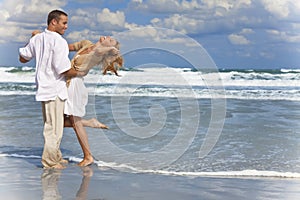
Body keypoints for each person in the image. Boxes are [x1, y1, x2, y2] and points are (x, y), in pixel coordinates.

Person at [19, 10, 87, 169]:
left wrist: (32, 41)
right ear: (53, 22)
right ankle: (49, 162)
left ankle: (55, 156)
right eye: (64, 23)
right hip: (54, 88)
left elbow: (22, 58)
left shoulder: (38, 39)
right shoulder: (59, 41)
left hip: (44, 87)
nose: (66, 27)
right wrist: (80, 73)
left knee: (54, 125)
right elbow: (62, 69)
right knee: (53, 129)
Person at [63, 36, 123, 167]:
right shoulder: (86, 44)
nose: (109, 37)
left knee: (75, 123)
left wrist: (111, 49)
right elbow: (65, 46)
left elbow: (100, 51)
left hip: (75, 87)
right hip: (66, 84)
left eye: (111, 40)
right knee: (60, 122)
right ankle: (90, 122)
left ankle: (88, 156)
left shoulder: (98, 55)